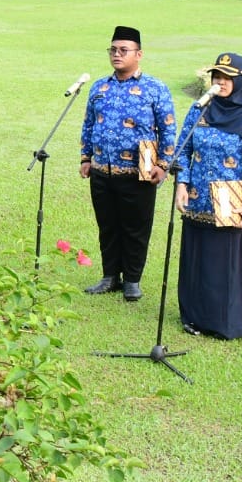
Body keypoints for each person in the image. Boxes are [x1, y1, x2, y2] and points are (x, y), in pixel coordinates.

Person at [172, 53, 242, 340]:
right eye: (217, 77)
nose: (221, 82)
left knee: (223, 262)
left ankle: (225, 322)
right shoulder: (199, 109)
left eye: (227, 78)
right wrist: (181, 183)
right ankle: (194, 316)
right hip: (197, 199)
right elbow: (183, 149)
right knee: (197, 258)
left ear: (239, 81)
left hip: (230, 203)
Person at [78, 26, 176, 302]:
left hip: (139, 171)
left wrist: (164, 163)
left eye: (123, 50)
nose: (116, 55)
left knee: (135, 226)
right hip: (102, 169)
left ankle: (132, 279)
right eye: (113, 49)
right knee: (107, 225)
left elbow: (168, 129)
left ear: (139, 54)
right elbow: (88, 124)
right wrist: (86, 157)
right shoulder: (99, 87)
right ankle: (110, 276)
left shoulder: (155, 88)